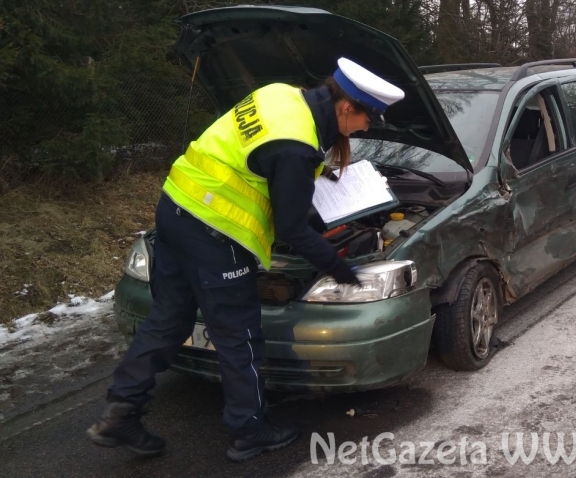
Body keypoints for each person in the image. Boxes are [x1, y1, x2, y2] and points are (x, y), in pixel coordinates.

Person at [87, 57, 404, 462]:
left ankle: (120, 412)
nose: (366, 127)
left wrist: (308, 193)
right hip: (216, 231)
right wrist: (339, 268)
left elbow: (256, 161)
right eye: (367, 118)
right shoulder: (296, 145)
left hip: (176, 207)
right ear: (346, 107)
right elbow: (291, 228)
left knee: (168, 318)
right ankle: (249, 430)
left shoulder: (280, 94)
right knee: (238, 335)